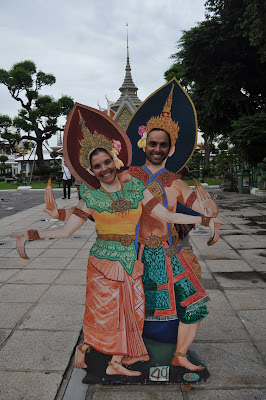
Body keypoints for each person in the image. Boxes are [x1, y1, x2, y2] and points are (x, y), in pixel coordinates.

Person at [12, 112, 225, 377]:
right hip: (119, 256)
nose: (157, 149)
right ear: (143, 145)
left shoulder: (157, 185)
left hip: (152, 254)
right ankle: (102, 350)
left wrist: (207, 215)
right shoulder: (114, 184)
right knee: (116, 311)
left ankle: (157, 357)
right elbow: (84, 216)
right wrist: (46, 224)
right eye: (152, 143)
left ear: (170, 149)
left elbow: (176, 213)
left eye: (162, 145)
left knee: (163, 308)